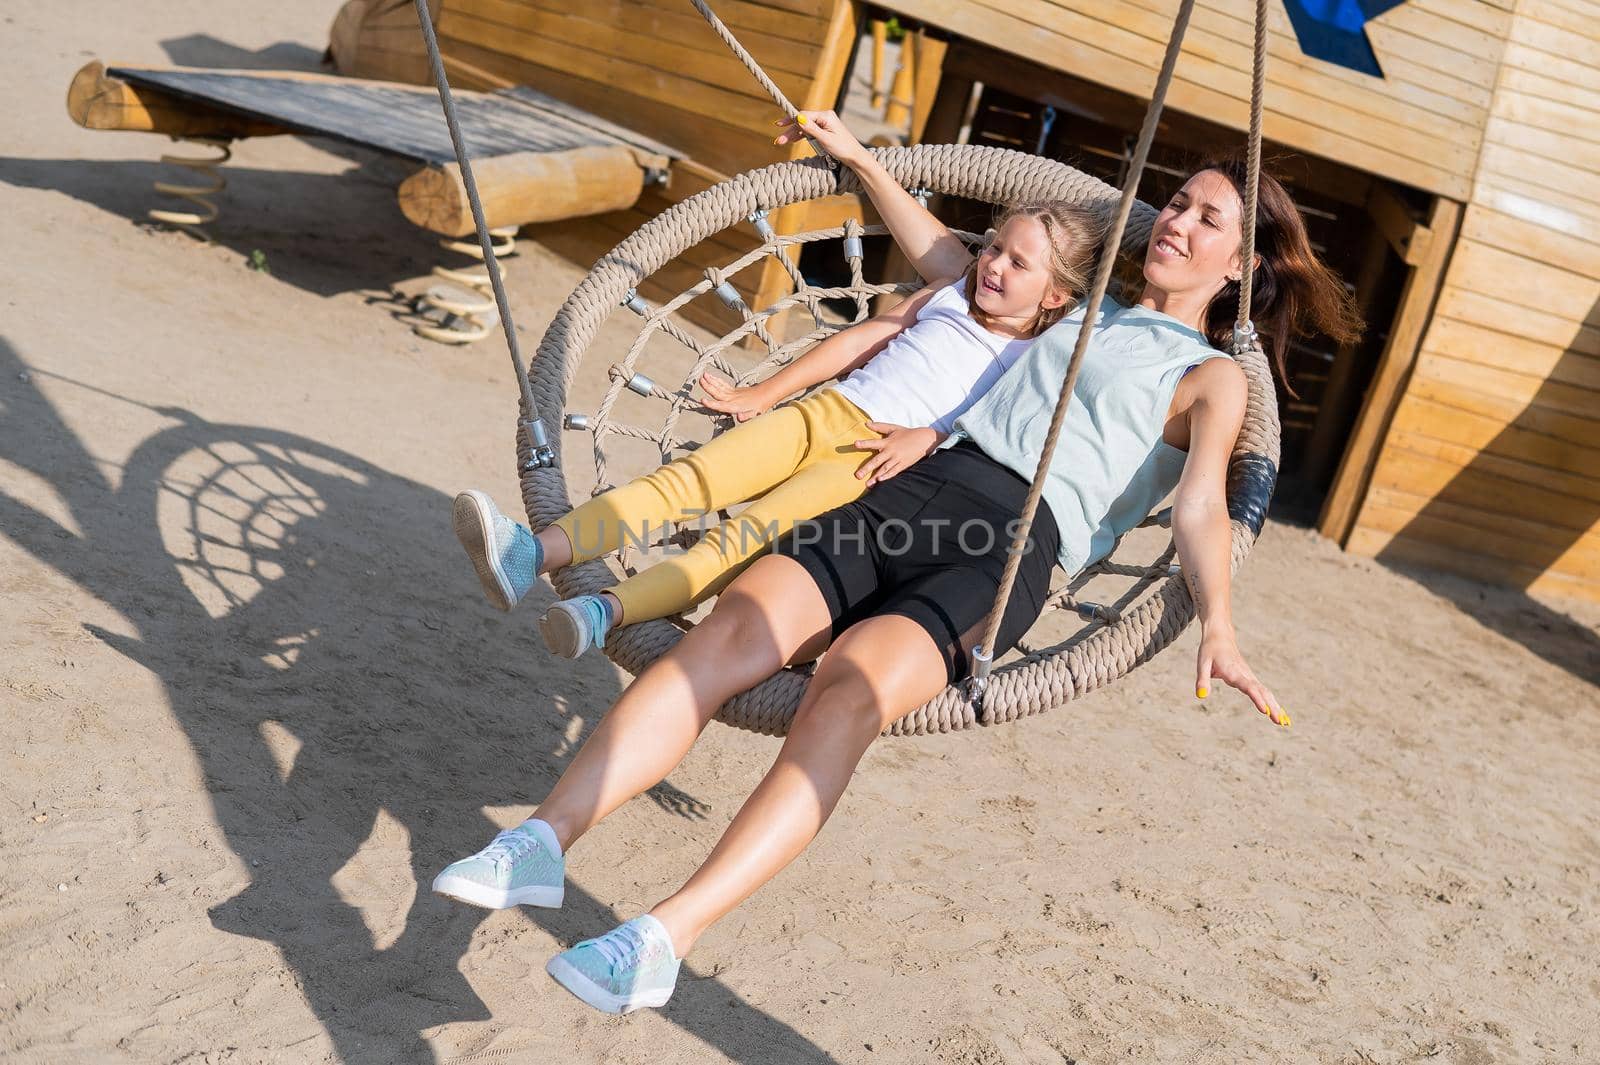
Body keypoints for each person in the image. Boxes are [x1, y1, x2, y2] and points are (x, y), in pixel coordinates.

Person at [434, 111, 1362, 1016]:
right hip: (909, 485)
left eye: (1209, 219)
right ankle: (540, 841)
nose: (1178, 221)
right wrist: (866, 163)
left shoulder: (1211, 376)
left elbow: (1201, 504)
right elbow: (946, 261)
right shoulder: (1070, 313)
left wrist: (1222, 629)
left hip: (1009, 547)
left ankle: (665, 936)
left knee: (847, 689)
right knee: (726, 637)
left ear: (1239, 267)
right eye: (1177, 202)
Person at [449, 201, 1104, 659]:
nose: (993, 265)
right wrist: (761, 393)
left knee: (741, 542)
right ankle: (533, 555)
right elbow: (860, 340)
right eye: (994, 246)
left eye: (1019, 264)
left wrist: (927, 440)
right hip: (827, 412)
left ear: (1055, 298)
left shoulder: (1038, 360)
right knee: (689, 481)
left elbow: (997, 433)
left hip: (873, 468)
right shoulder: (949, 294)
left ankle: (602, 613)